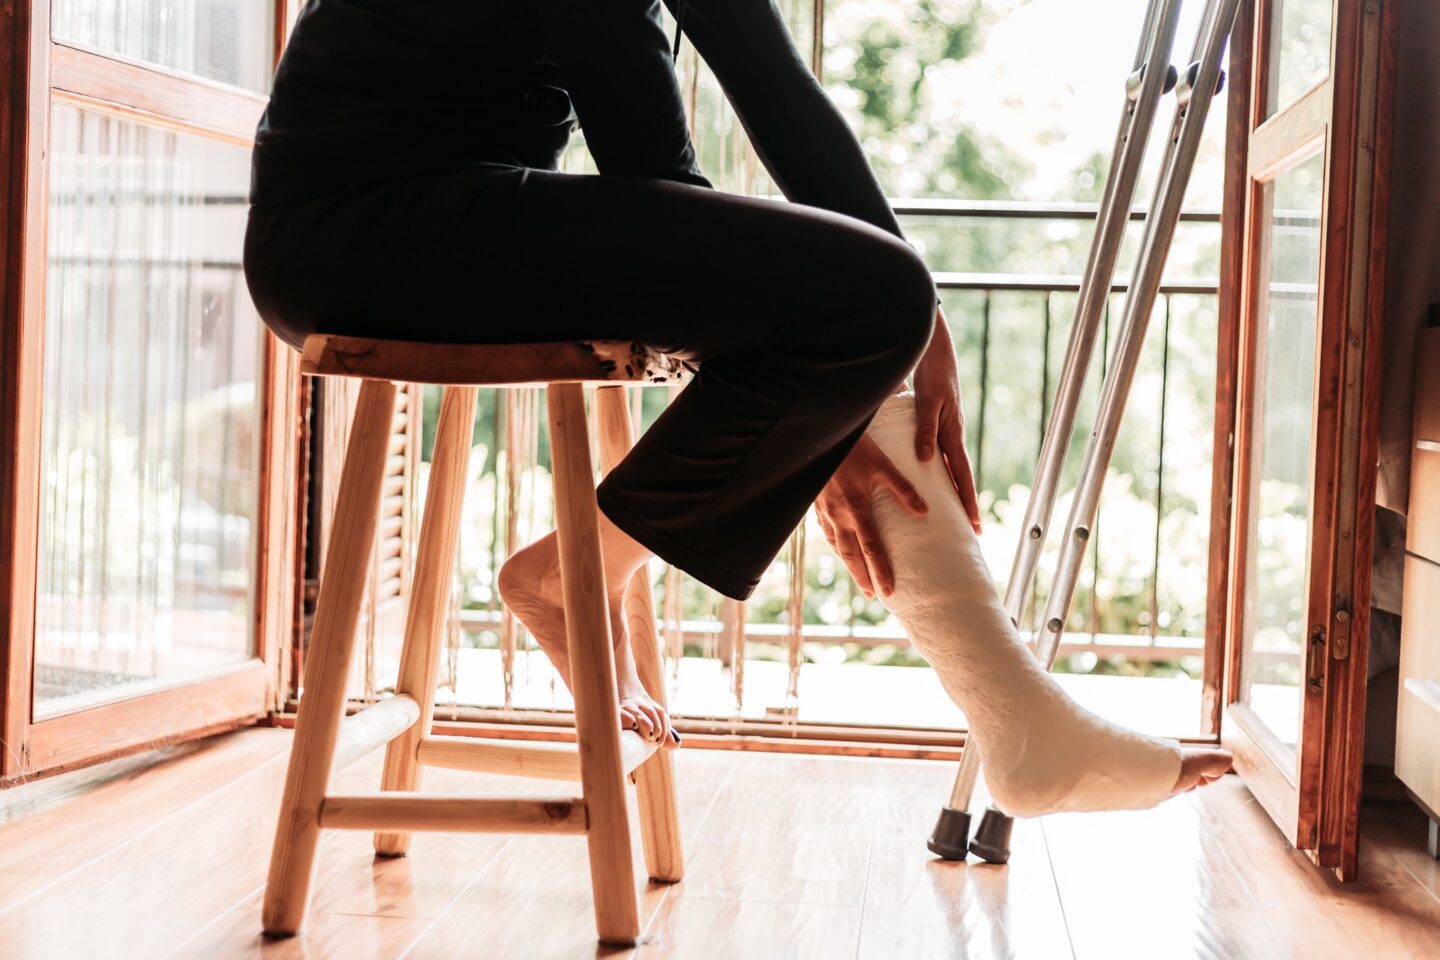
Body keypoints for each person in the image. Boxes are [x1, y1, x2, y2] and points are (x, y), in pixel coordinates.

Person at [244, 0, 1228, 812]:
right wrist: (827, 366)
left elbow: (773, 87)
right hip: (356, 234)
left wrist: (907, 331)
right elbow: (652, 167)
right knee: (863, 302)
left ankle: (1011, 715)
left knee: (878, 299)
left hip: (435, 220)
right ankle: (1009, 711)